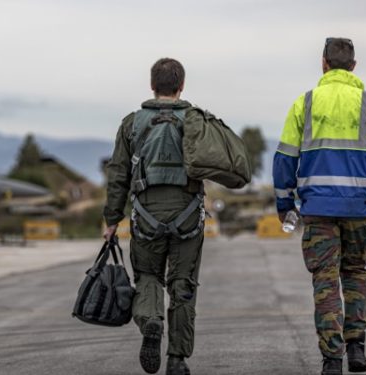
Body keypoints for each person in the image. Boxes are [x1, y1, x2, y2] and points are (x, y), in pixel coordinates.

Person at [273, 38, 366, 375]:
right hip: (358, 210)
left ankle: (331, 359)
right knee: (356, 273)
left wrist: (283, 202)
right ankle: (357, 348)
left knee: (325, 279)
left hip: (317, 209)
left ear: (323, 63)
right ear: (353, 66)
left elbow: (284, 159)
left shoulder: (304, 104)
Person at [104, 57, 217, 375]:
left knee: (148, 277)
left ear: (152, 86)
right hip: (188, 215)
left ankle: (151, 323)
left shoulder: (131, 123)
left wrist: (112, 219)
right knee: (183, 284)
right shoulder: (197, 121)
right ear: (181, 86)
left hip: (145, 214)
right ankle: (177, 360)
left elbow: (118, 174)